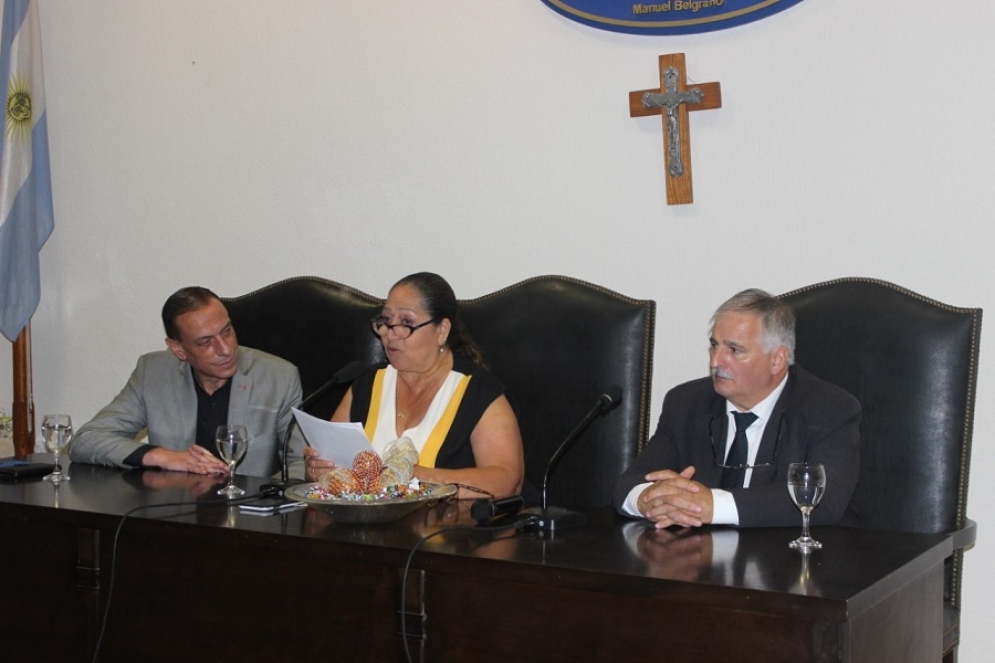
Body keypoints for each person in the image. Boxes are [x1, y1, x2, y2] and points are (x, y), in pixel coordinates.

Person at [613, 288, 860, 529]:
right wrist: (648, 500)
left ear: (777, 360)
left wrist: (712, 506)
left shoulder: (829, 409)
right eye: (714, 345)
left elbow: (825, 501)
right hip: (698, 562)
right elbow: (630, 484)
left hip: (789, 563)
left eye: (734, 350)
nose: (715, 361)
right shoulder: (686, 403)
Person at [304, 272, 524, 499]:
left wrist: (415, 476)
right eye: (386, 321)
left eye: (407, 323)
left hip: (443, 530)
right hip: (358, 529)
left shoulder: (479, 392)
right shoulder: (366, 383)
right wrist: (318, 469)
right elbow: (330, 462)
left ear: (442, 330)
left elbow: (507, 480)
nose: (391, 334)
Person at [71, 286, 302, 477]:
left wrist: (265, 497)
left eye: (227, 331)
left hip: (249, 519)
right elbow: (87, 440)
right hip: (176, 513)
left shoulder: (278, 377)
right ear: (178, 349)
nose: (225, 349)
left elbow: (302, 463)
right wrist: (165, 457)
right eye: (205, 342)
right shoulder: (153, 373)